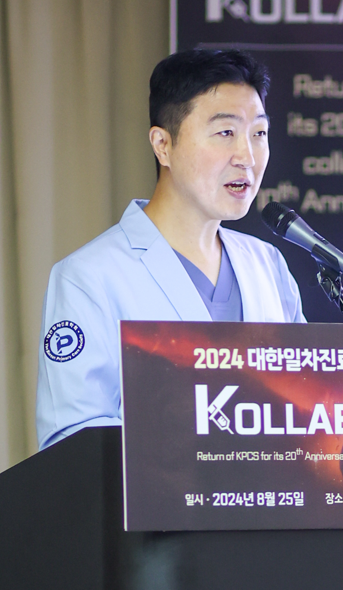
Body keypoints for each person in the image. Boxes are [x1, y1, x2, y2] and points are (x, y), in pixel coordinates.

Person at [35, 49, 305, 450]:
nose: (247, 157)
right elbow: (73, 441)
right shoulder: (89, 277)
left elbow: (303, 408)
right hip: (158, 493)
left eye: (259, 134)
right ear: (163, 145)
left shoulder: (268, 265)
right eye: (225, 132)